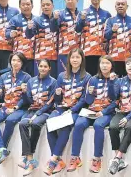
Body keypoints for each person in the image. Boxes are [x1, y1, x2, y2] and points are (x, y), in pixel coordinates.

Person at [43, 48, 91, 176]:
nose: (75, 60)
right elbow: (57, 99)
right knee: (49, 124)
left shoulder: (87, 77)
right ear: (69, 59)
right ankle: (58, 160)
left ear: (82, 60)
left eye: (77, 57)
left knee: (64, 126)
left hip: (76, 110)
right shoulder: (61, 76)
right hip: (61, 108)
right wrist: (58, 94)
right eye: (72, 57)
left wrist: (71, 110)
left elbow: (84, 100)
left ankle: (53, 159)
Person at [68, 55, 117, 173]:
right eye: (102, 63)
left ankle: (97, 159)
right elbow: (88, 101)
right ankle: (75, 157)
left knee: (98, 126)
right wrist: (89, 94)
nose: (104, 66)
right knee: (79, 124)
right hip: (91, 110)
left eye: (107, 63)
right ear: (99, 65)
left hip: (106, 112)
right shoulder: (93, 79)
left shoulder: (116, 80)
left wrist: (104, 112)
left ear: (111, 66)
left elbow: (116, 100)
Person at [0, 52, 31, 164]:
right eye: (13, 60)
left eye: (18, 61)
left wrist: (16, 106)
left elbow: (27, 99)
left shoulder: (27, 77)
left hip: (20, 108)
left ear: (22, 63)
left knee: (10, 120)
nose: (15, 63)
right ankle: (2, 149)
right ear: (10, 62)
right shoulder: (3, 76)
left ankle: (0, 148)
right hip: (6, 106)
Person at [18, 59, 57, 176]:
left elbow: (50, 102)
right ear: (38, 67)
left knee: (35, 124)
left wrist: (38, 113)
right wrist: (24, 93)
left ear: (49, 68)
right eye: (41, 66)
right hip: (32, 110)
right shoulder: (31, 81)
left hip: (46, 112)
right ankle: (30, 159)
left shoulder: (53, 82)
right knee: (22, 124)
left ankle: (29, 160)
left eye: (45, 66)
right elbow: (28, 101)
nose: (43, 68)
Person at [108, 56, 131, 175]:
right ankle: (118, 160)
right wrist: (111, 82)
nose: (130, 66)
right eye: (128, 64)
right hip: (122, 111)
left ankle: (117, 158)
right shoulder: (120, 81)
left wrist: (127, 118)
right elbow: (113, 97)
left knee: (129, 127)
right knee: (113, 127)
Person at [76, 0, 112, 75]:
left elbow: (109, 34)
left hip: (102, 53)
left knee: (101, 78)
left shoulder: (107, 14)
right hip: (87, 52)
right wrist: (82, 20)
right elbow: (77, 30)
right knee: (88, 78)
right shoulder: (82, 13)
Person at [26, 0, 59, 78]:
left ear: (53, 6)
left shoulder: (58, 18)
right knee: (39, 81)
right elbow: (29, 35)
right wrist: (28, 28)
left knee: (53, 81)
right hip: (41, 56)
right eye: (43, 5)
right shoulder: (36, 20)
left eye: (48, 5)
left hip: (55, 57)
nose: (45, 7)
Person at [105, 0, 131, 77]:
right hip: (115, 58)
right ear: (115, 7)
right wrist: (112, 30)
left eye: (122, 4)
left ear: (127, 6)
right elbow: (106, 36)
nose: (120, 6)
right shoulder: (110, 20)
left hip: (129, 59)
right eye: (118, 4)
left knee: (129, 82)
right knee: (115, 82)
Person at [6, 0, 37, 76]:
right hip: (19, 57)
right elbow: (7, 33)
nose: (26, 6)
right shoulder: (14, 19)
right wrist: (11, 34)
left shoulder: (37, 19)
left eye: (28, 4)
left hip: (34, 57)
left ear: (32, 6)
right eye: (23, 5)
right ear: (19, 6)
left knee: (32, 80)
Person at [53, 0, 80, 74]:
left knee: (77, 75)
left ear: (77, 0)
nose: (70, 1)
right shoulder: (60, 14)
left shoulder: (81, 14)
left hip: (78, 51)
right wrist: (55, 19)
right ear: (65, 0)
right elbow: (54, 29)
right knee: (63, 75)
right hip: (64, 51)